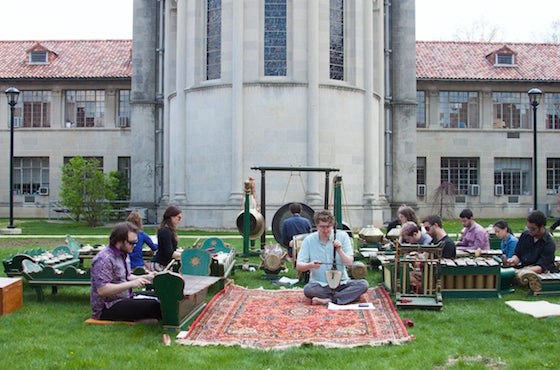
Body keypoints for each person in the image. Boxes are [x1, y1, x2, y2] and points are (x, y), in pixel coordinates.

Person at [90, 222, 161, 321]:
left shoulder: (124, 254)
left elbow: (125, 277)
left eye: (136, 242)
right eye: (131, 243)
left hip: (125, 298)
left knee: (160, 295)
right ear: (119, 241)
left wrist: (147, 277)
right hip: (108, 307)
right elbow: (103, 290)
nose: (135, 246)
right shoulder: (104, 259)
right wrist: (131, 284)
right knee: (155, 305)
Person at [296, 210, 369, 305]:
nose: (325, 230)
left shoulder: (342, 236)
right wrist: (311, 265)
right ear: (317, 226)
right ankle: (344, 297)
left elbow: (349, 263)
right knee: (308, 290)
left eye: (328, 227)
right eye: (322, 227)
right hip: (320, 284)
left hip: (341, 283)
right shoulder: (309, 240)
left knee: (363, 285)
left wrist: (339, 250)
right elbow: (299, 265)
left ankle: (329, 300)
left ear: (333, 225)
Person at [149, 205, 183, 271]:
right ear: (171, 217)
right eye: (178, 218)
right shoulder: (165, 231)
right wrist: (185, 256)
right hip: (160, 264)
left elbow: (173, 249)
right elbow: (169, 253)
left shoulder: (168, 230)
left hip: (165, 264)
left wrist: (184, 253)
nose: (179, 220)